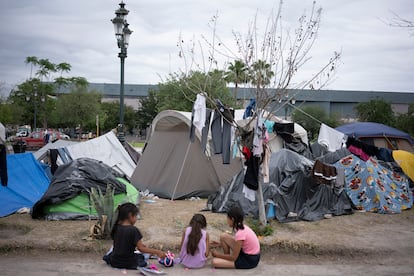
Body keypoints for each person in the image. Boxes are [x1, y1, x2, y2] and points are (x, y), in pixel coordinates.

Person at [103, 203, 166, 269]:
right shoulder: (133, 230)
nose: (136, 219)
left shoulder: (116, 227)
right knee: (141, 257)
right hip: (128, 262)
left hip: (115, 262)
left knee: (112, 254)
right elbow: (141, 249)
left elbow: (121, 243)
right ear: (130, 215)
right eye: (136, 216)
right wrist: (158, 252)